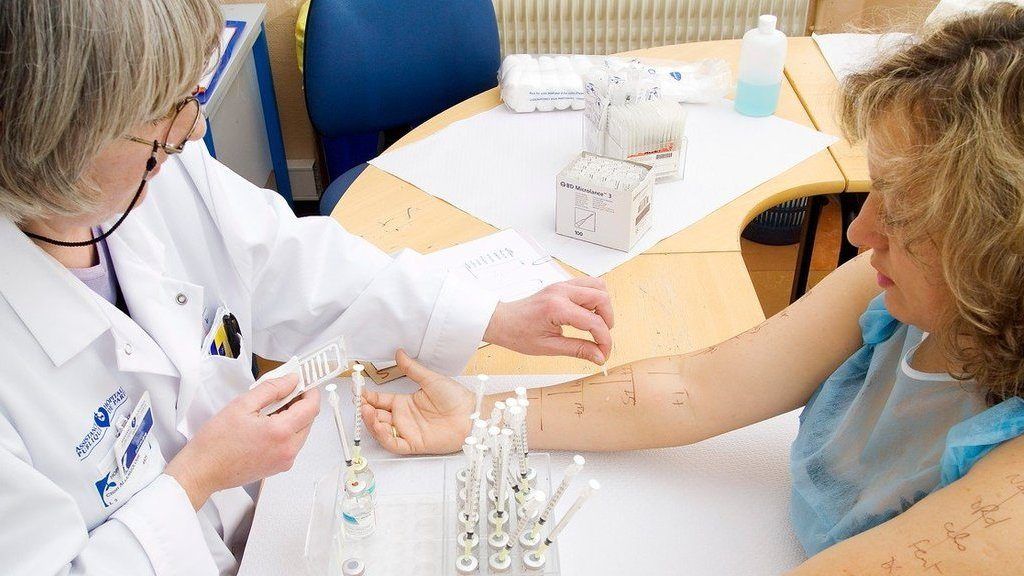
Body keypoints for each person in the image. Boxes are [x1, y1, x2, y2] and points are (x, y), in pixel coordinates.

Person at [362, 4, 1024, 573]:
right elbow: (695, 388)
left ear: (1001, 251)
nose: (859, 232)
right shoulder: (896, 292)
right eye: (876, 188)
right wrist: (485, 417)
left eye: (905, 209)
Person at [0, 1, 613, 574]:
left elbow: (297, 266)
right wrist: (198, 477)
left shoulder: (162, 175)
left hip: (267, 521)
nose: (192, 129)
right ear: (58, 137)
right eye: (160, 111)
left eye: (190, 94)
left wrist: (491, 317)